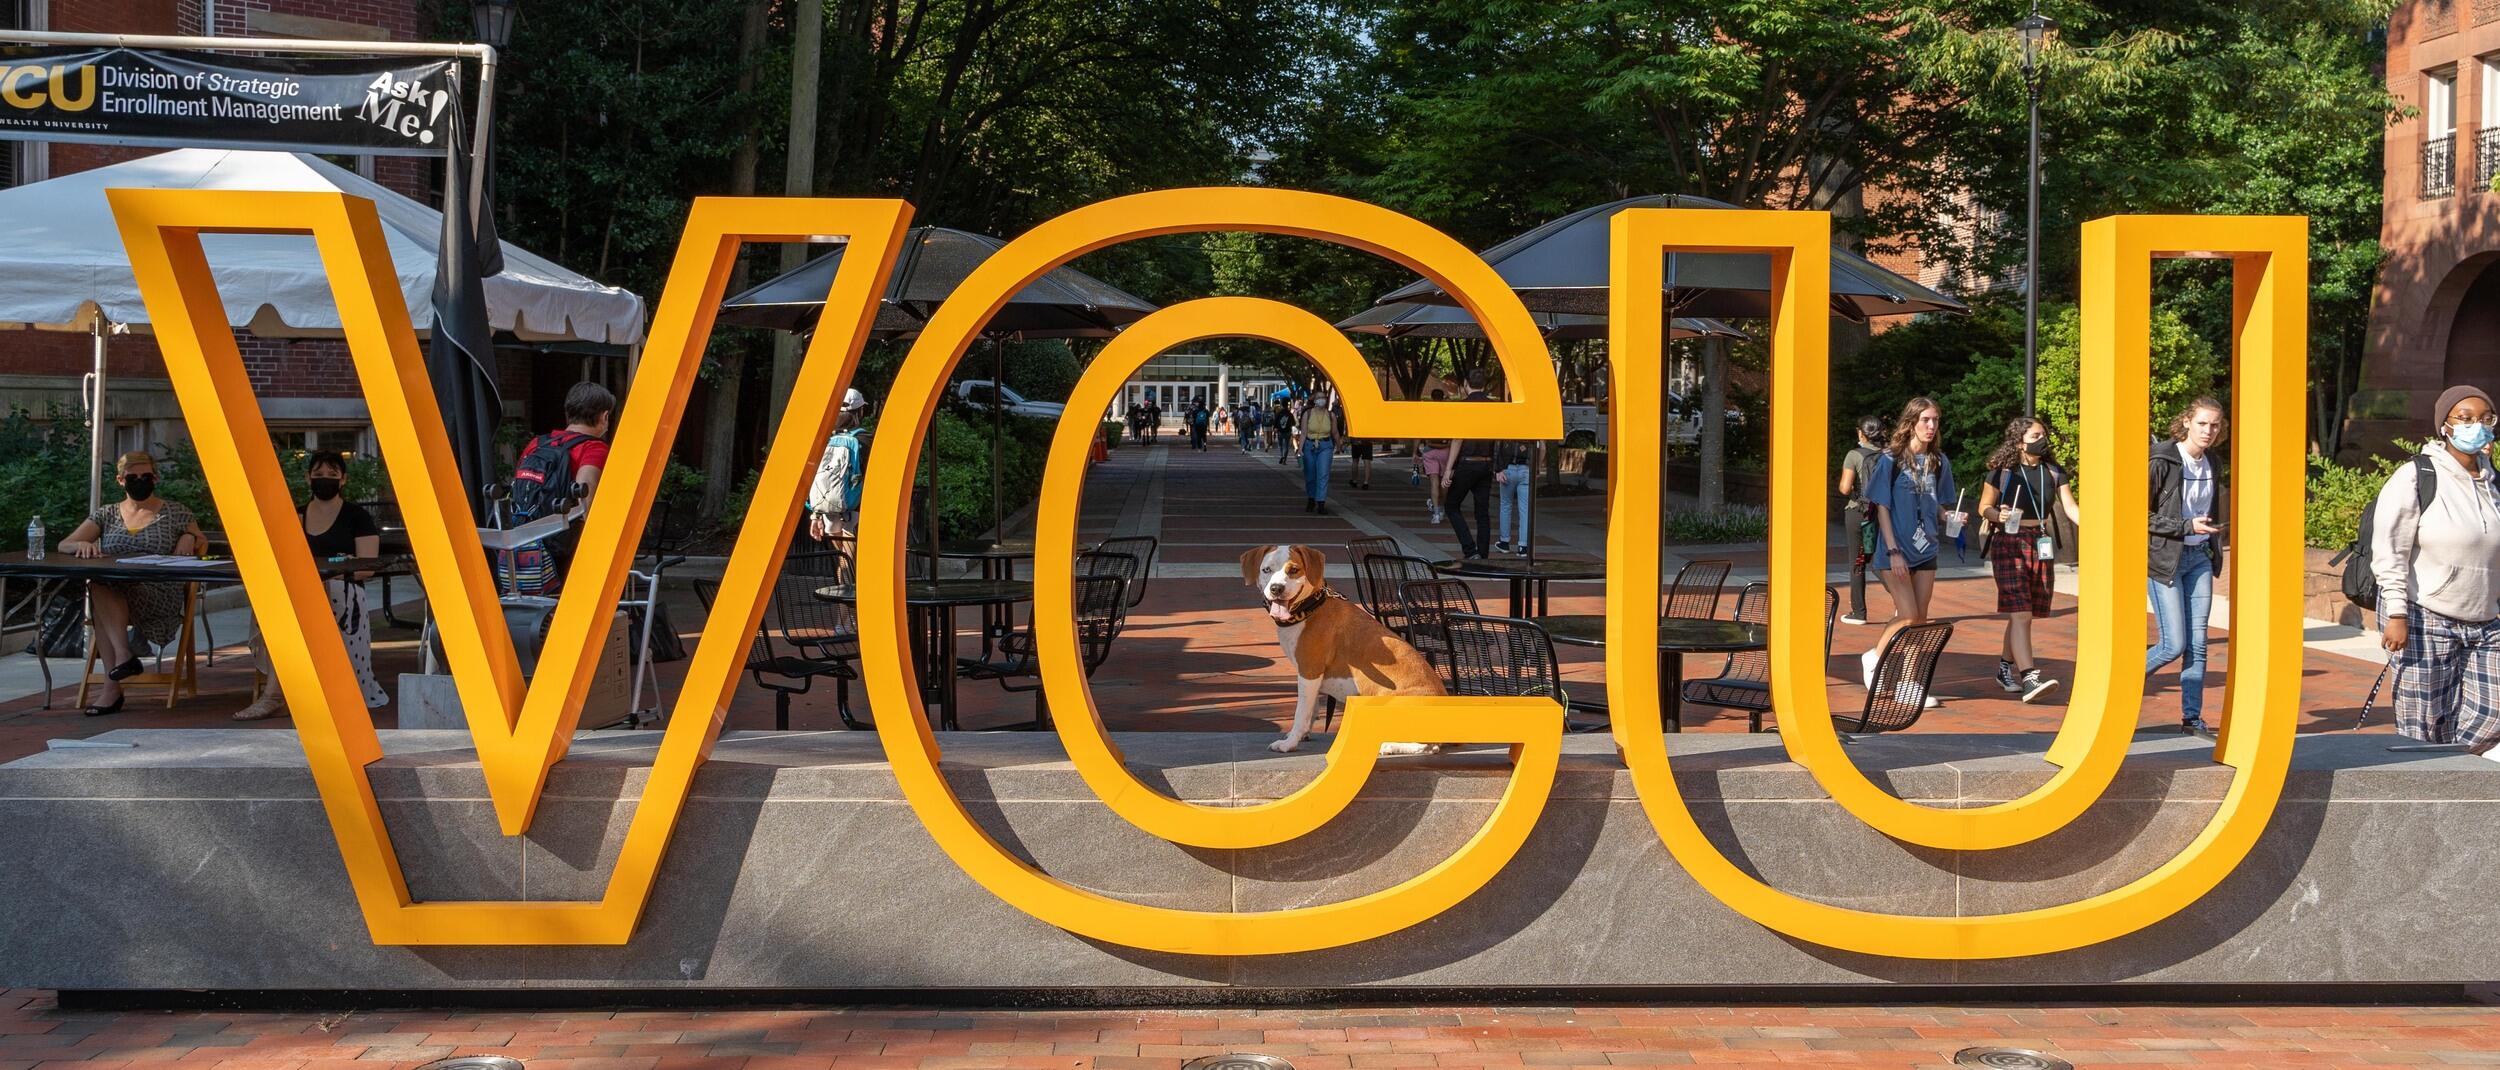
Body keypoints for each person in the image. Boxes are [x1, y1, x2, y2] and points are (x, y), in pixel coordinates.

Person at [2372, 385, 2500, 752]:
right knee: (2422, 724)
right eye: (2465, 418)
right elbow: (2390, 548)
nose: (2476, 425)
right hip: (2424, 615)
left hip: (2486, 619)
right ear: (2445, 425)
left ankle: (2449, 762)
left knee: (2493, 712)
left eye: (2485, 418)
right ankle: (2432, 781)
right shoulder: (2417, 476)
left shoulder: (2493, 482)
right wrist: (2395, 612)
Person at [232, 451, 387, 721]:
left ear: (343, 480)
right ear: (307, 478)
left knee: (295, 607)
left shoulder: (356, 516)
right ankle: (279, 693)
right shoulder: (296, 517)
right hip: (301, 591)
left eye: (331, 475)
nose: (324, 480)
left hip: (342, 588)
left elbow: (366, 567)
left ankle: (276, 695)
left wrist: (334, 573)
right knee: (282, 605)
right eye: (318, 475)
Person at [55, 450, 206, 717]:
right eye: (132, 476)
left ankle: (113, 685)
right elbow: (64, 544)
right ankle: (123, 659)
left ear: (156, 478)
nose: (140, 481)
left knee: (101, 594)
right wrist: (82, 544)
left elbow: (202, 544)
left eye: (146, 476)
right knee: (100, 586)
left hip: (157, 590)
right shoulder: (107, 514)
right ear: (120, 480)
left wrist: (190, 538)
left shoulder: (175, 512)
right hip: (115, 588)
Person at [1976, 418, 2081, 704]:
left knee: (2023, 612)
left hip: (2039, 539)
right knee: (2021, 613)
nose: (2042, 440)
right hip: (2009, 541)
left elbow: (2070, 507)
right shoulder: (2003, 472)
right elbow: (1984, 507)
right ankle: (2030, 676)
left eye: (2043, 435)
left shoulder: (2053, 471)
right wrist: (1999, 515)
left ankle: (2003, 668)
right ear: (2020, 441)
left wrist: (2096, 528)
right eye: (2036, 435)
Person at [1864, 397, 1960, 708]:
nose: (1931, 426)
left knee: (1920, 619)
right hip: (1895, 550)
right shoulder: (1890, 460)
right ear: (1911, 423)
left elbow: (1939, 505)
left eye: (1935, 421)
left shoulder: (1939, 461)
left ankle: (1909, 683)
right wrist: (1893, 551)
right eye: (1925, 420)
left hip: (1927, 549)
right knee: (1907, 616)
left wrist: (1950, 517)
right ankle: (1875, 657)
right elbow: (1882, 507)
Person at [2146, 397, 2228, 734]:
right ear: (2186, 423)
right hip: (2165, 559)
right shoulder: (2162, 460)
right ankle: (2116, 685)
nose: (2209, 431)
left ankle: (2191, 717)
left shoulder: (2213, 463)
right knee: (2172, 644)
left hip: (2198, 559)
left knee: (2198, 643)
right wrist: (2184, 527)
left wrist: (2210, 537)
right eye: (2202, 423)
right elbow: (2139, 513)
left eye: (2215, 425)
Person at [1440, 372, 1502, 559]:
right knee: (1482, 512)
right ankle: (1483, 554)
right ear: (1484, 384)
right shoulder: (1494, 407)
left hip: (1467, 464)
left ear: (1466, 384)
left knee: (1451, 505)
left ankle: (1469, 549)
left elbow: (1458, 438)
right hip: (1486, 463)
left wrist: (1448, 469)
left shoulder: (1463, 406)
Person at [1836, 415, 1886, 625]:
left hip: (1859, 513)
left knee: (1858, 562)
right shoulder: (1888, 455)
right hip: (1883, 514)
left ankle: (1859, 612)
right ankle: (1903, 603)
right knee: (1879, 561)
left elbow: (1845, 488)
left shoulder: (1854, 455)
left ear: (1861, 433)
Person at [807, 389, 870, 543]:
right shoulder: (866, 440)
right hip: (855, 507)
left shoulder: (826, 440)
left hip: (828, 507)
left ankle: (843, 568)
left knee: (842, 559)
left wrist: (815, 515)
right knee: (849, 560)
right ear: (859, 411)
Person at [1493, 437, 1532, 555]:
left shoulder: (1508, 425)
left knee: (1505, 505)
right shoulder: (1532, 427)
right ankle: (1523, 546)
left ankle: (1504, 542)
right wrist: (1537, 468)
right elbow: (1543, 448)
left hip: (1507, 469)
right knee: (1525, 510)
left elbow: (1497, 447)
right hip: (1526, 469)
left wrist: (1497, 469)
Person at [1300, 394, 1339, 513]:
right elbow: (1303, 433)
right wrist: (1300, 448)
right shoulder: (1308, 414)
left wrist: (1339, 445)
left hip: (1325, 446)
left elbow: (1335, 432)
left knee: (1323, 474)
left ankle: (1321, 502)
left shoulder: (1330, 415)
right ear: (1315, 400)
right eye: (1319, 397)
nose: (1322, 400)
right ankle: (1311, 498)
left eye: (1324, 397)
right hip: (1309, 445)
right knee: (1310, 474)